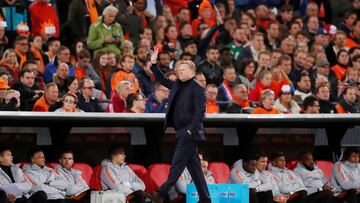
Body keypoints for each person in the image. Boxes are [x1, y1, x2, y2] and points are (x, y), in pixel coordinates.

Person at [148, 47, 211, 203]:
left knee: (177, 164)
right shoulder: (177, 84)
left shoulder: (198, 89)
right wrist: (154, 63)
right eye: (178, 69)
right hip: (180, 131)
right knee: (195, 169)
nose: (179, 72)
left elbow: (199, 114)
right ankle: (205, 198)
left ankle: (160, 193)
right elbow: (162, 79)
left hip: (190, 133)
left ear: (192, 71)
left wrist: (189, 131)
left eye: (182, 69)